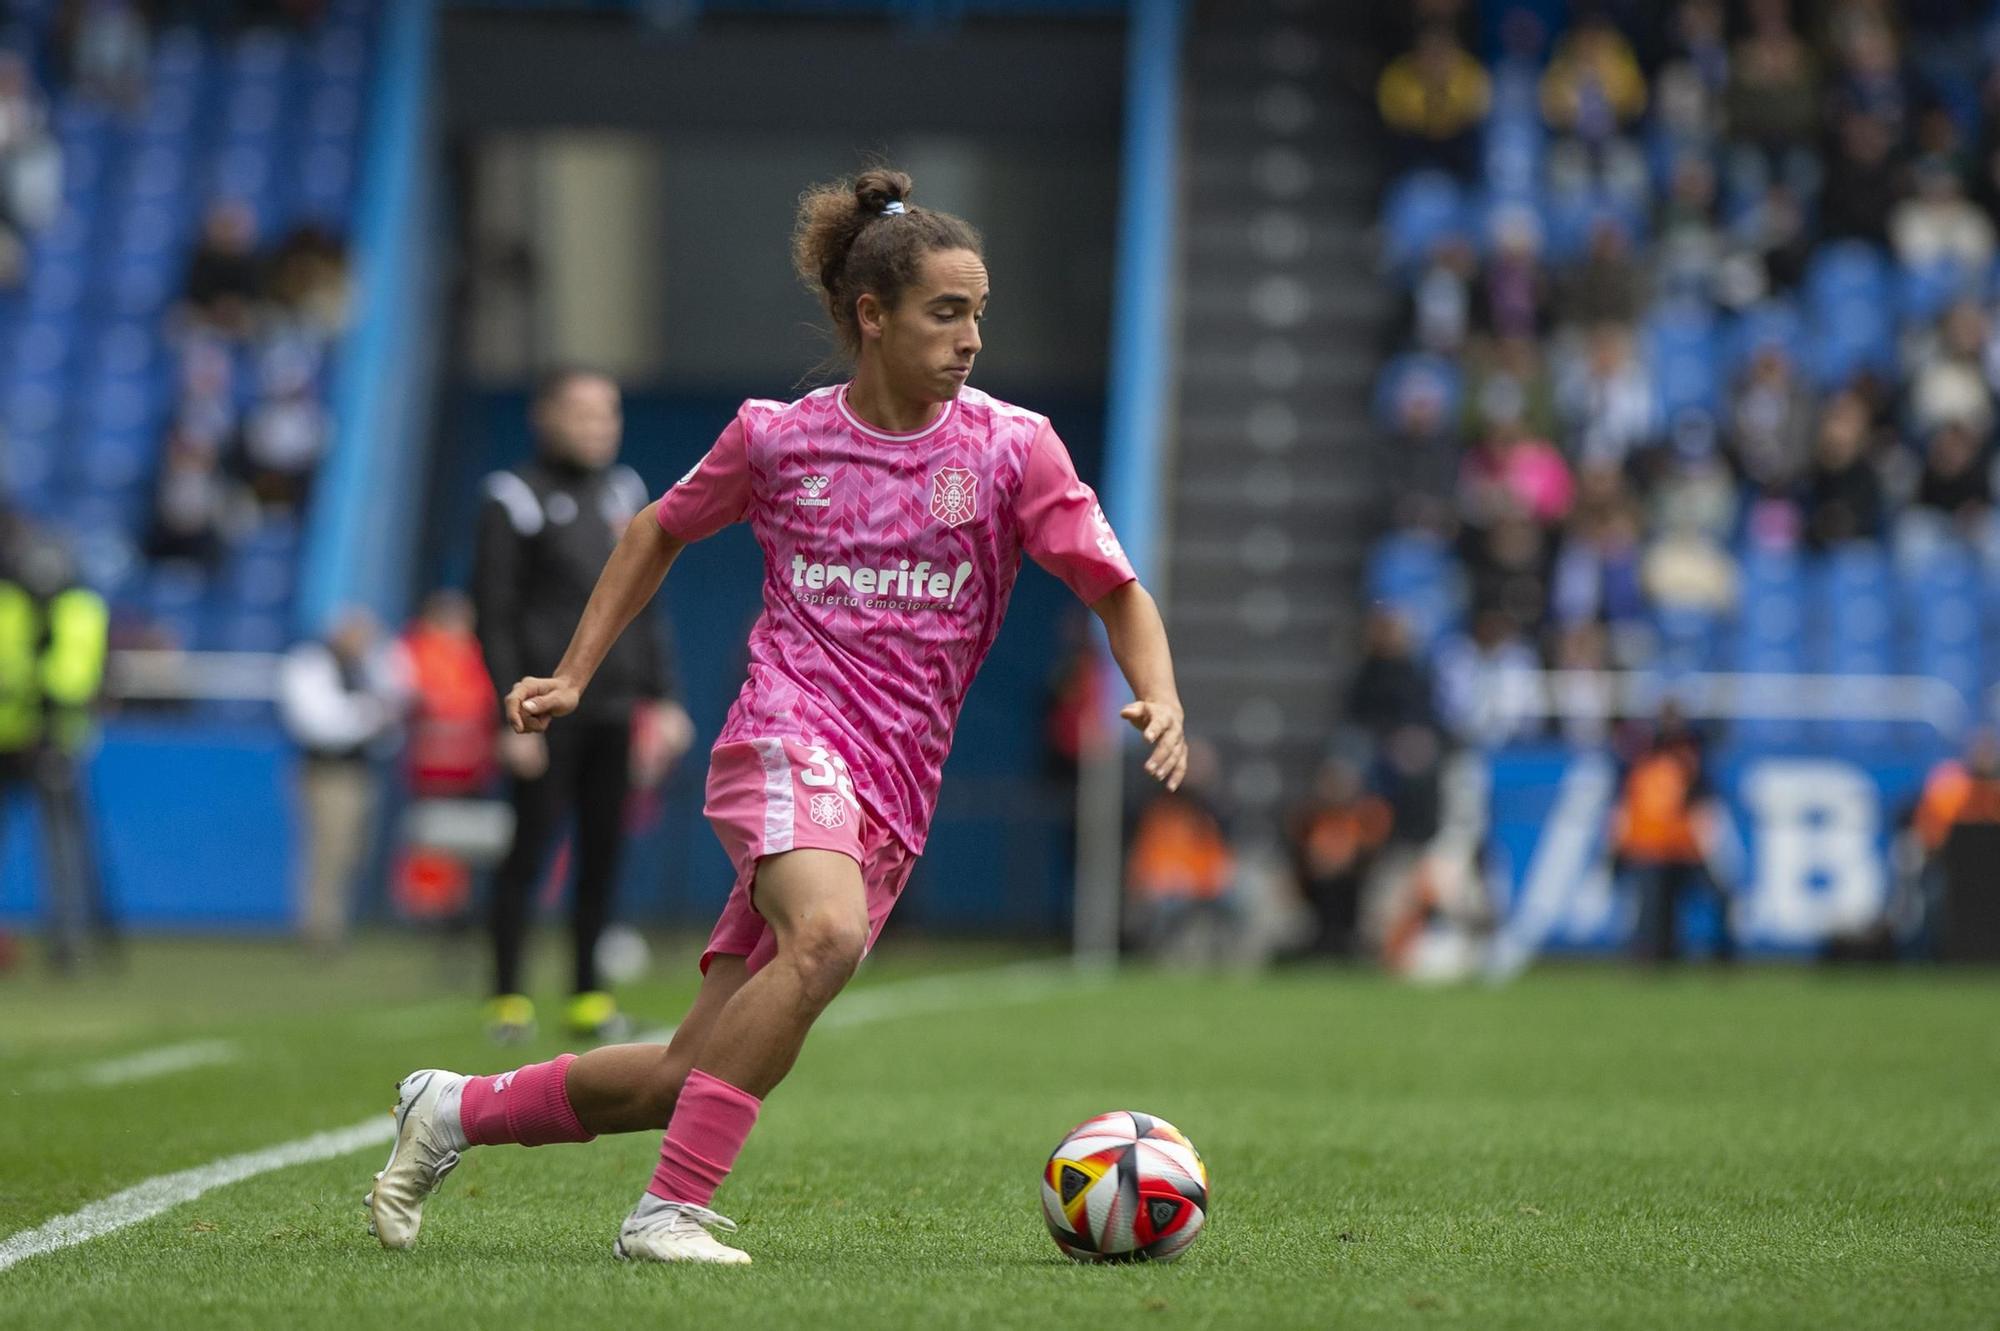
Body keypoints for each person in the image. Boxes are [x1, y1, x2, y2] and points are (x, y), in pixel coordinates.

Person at [365, 166, 1185, 1266]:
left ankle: (452, 1107)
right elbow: (655, 528)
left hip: (893, 785)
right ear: (870, 315)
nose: (971, 337)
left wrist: (1159, 689)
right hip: (784, 733)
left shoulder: (1009, 449)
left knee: (678, 1075)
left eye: (977, 313)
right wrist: (570, 673)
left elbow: (1113, 586)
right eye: (947, 312)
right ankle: (668, 1210)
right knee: (828, 936)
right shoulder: (776, 437)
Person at [471, 368, 693, 1043]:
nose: (600, 426)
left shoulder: (624, 491)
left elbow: (644, 605)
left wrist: (665, 699)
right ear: (546, 417)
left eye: (609, 413)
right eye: (584, 413)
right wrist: (510, 716)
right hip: (544, 710)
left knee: (604, 852)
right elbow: (494, 612)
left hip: (615, 708)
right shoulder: (514, 498)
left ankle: (588, 997)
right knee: (529, 851)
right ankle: (508, 998)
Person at [0, 513, 113, 971]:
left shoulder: (80, 610)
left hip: (54, 742)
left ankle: (67, 941)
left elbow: (73, 679)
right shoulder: (9, 605)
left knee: (62, 847)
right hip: (7, 739)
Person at [277, 609, 408, 953]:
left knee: (353, 854)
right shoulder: (310, 663)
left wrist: (370, 714)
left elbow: (396, 706)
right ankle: (320, 931)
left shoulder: (367, 667)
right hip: (327, 771)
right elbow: (321, 724)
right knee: (327, 852)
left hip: (362, 770)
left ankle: (337, 923)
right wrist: (368, 714)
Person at [1609, 702, 1734, 965]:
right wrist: (1616, 847)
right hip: (1650, 847)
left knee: (1711, 898)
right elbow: (1624, 808)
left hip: (1682, 847)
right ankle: (1653, 955)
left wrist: (1709, 848)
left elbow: (1703, 809)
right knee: (1654, 912)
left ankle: (1720, 954)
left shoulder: (1689, 762)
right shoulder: (1640, 760)